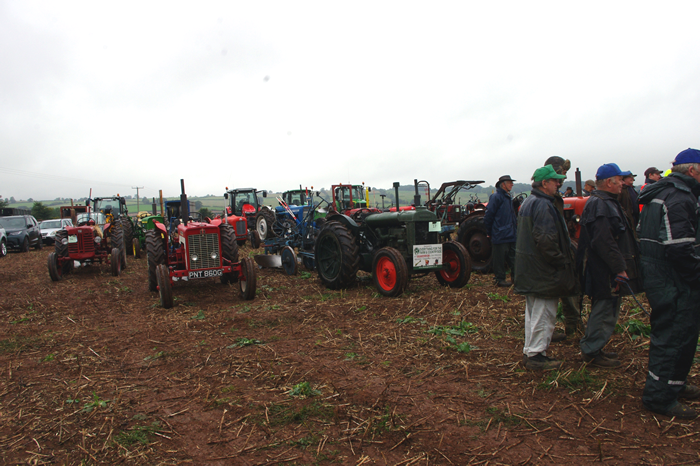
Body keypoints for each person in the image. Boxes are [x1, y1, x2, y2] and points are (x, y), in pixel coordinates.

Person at [639, 148, 700, 420]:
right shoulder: (678, 198)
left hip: (661, 276)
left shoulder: (661, 194)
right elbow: (679, 249)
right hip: (674, 281)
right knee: (675, 336)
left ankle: (672, 383)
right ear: (692, 170)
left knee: (677, 336)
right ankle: (660, 397)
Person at [576, 163, 641, 368]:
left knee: (607, 308)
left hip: (606, 268)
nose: (623, 183)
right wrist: (619, 268)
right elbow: (604, 241)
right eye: (620, 180)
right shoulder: (600, 204)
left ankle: (596, 347)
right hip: (604, 270)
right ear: (609, 182)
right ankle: (591, 351)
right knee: (604, 309)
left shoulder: (607, 202)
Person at [515, 165, 577, 370]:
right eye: (555, 180)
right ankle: (536, 356)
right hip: (543, 270)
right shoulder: (542, 204)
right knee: (544, 313)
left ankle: (530, 350)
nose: (559, 184)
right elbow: (545, 240)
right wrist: (561, 261)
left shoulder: (529, 202)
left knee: (533, 312)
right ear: (544, 183)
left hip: (531, 268)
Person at [544, 156, 584, 340]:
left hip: (563, 248)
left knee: (572, 288)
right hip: (555, 253)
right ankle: (566, 330)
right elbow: (545, 235)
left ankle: (574, 327)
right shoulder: (545, 200)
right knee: (554, 295)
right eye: (561, 174)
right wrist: (559, 256)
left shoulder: (556, 197)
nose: (563, 178)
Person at [484, 175, 517, 287]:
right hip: (500, 233)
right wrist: (490, 231)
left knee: (513, 258)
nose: (512, 184)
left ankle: (516, 278)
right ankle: (500, 279)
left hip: (511, 233)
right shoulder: (496, 197)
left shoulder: (508, 197)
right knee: (499, 258)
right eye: (510, 182)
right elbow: (489, 215)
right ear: (503, 184)